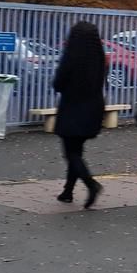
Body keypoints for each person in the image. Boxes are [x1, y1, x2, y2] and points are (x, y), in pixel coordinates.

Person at [52, 21, 107, 208]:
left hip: (73, 107)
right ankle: (67, 191)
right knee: (77, 151)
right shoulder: (100, 58)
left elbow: (58, 83)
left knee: (71, 153)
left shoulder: (72, 56)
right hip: (94, 107)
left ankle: (91, 184)